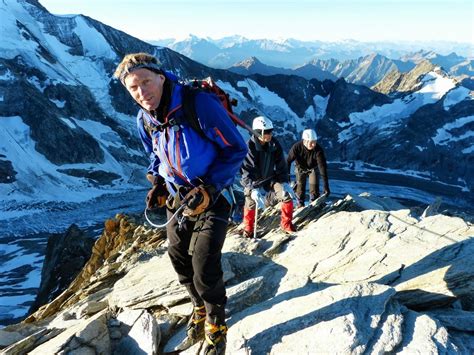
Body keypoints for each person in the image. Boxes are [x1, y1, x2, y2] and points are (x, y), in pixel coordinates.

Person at [114, 53, 247, 354]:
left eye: (146, 82)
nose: (141, 92)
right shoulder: (144, 119)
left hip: (214, 196)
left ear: (161, 77)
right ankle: (197, 306)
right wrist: (158, 181)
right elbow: (155, 154)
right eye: (133, 88)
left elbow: (236, 149)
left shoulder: (197, 104)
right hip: (178, 197)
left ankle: (216, 324)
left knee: (204, 262)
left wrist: (211, 188)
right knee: (177, 255)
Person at [240, 116, 296, 238]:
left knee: (286, 195)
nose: (269, 134)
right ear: (257, 132)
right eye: (266, 132)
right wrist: (251, 187)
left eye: (270, 131)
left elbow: (281, 165)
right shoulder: (249, 147)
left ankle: (286, 225)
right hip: (253, 180)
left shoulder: (274, 144)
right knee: (250, 200)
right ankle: (248, 228)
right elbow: (246, 171)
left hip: (270, 178)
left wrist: (285, 182)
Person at [287, 129, 330, 208]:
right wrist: (287, 176)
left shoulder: (318, 150)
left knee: (314, 188)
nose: (313, 144)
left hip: (313, 168)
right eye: (311, 142)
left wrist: (326, 185)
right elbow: (288, 161)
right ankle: (300, 204)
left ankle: (314, 204)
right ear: (305, 141)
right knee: (300, 186)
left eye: (314, 141)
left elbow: (322, 167)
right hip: (300, 168)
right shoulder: (296, 147)